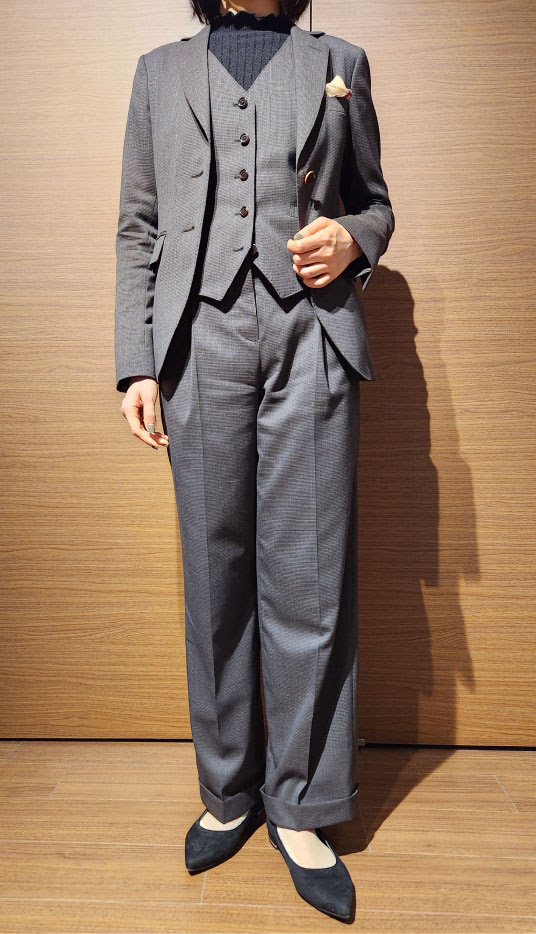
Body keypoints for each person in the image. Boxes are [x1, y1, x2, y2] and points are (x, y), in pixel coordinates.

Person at [114, 0, 394, 921]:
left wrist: (354, 238)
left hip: (313, 334)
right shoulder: (158, 71)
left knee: (309, 577)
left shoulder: (341, 59)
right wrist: (137, 361)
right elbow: (139, 226)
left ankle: (303, 805)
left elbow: (376, 203)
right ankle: (229, 790)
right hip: (198, 339)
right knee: (215, 572)